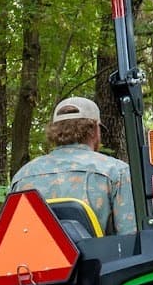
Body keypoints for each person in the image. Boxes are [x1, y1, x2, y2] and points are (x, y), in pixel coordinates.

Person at [9, 96, 136, 236]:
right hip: (101, 258)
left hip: (37, 258)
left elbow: (13, 237)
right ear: (93, 130)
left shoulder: (22, 176)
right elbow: (132, 237)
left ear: (55, 130)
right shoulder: (116, 171)